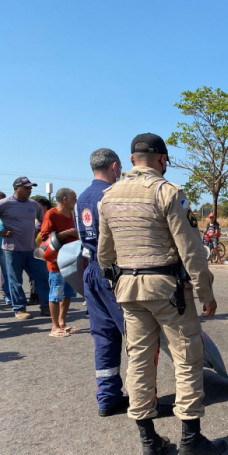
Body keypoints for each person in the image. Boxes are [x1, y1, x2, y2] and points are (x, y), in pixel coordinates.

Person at [98, 132, 225, 455]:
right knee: (187, 360)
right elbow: (191, 250)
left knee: (139, 363)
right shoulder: (166, 192)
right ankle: (190, 442)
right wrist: (206, 293)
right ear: (160, 159)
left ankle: (149, 444)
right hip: (169, 290)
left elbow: (104, 254)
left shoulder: (108, 197)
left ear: (131, 159)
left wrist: (121, 285)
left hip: (128, 291)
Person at [77, 148, 130, 416]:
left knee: (104, 337)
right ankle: (148, 396)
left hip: (92, 272)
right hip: (113, 272)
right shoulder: (110, 195)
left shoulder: (82, 197)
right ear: (114, 166)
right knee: (137, 335)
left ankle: (107, 397)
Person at [0, 177, 50, 319]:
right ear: (16, 188)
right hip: (12, 249)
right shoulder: (5, 203)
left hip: (31, 248)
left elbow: (43, 220)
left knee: (42, 277)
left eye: (30, 188)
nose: (29, 190)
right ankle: (20, 309)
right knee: (15, 280)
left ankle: (46, 307)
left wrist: (36, 228)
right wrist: (1, 232)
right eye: (26, 188)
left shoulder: (33, 205)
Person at [40, 188, 79, 337]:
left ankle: (62, 322)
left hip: (71, 260)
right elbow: (45, 237)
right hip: (56, 261)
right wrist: (69, 232)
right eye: (74, 198)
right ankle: (54, 326)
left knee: (68, 293)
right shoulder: (51, 214)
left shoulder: (72, 214)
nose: (76, 200)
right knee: (55, 293)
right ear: (65, 199)